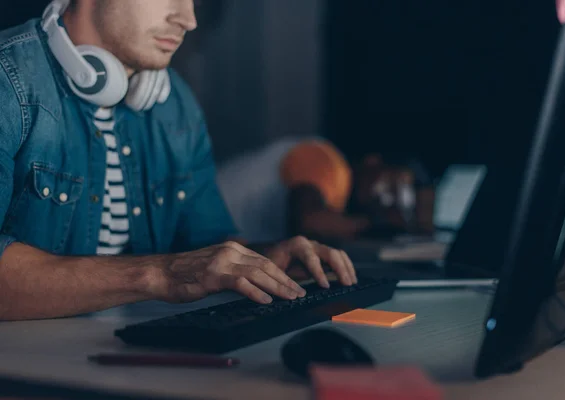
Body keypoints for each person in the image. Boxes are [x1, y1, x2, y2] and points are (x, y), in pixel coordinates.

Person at [0, 0, 357, 322]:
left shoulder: (176, 106)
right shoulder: (9, 82)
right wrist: (160, 274)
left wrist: (265, 259)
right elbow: (175, 269)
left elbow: (205, 246)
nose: (188, 19)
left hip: (121, 361)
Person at [280, 140, 436, 242]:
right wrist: (381, 223)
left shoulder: (341, 193)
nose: (388, 202)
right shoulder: (325, 161)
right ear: (373, 162)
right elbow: (310, 222)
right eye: (392, 189)